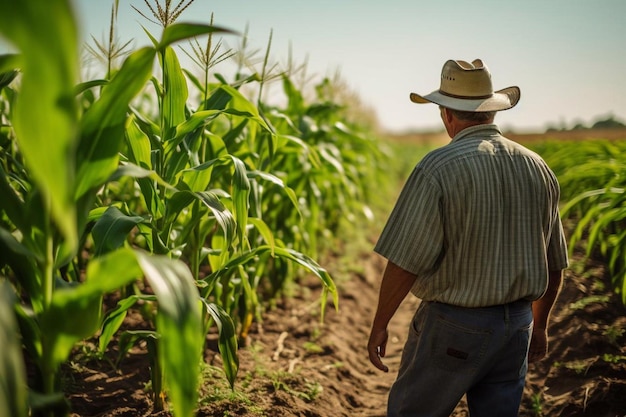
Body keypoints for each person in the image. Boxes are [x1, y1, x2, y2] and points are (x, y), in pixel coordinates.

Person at [367, 59, 569, 417]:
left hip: (454, 328)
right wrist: (540, 326)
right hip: (517, 328)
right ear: (491, 112)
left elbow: (405, 260)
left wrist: (380, 324)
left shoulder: (437, 168)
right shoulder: (539, 168)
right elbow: (554, 263)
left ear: (447, 114)